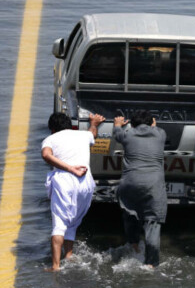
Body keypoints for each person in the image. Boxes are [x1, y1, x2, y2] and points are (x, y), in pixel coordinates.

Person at [41, 111, 105, 271]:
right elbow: (93, 134)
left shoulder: (50, 138)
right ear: (69, 125)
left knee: (59, 223)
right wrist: (94, 123)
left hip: (65, 181)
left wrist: (70, 168)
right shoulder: (83, 135)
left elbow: (46, 155)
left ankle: (55, 266)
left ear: (52, 128)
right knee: (73, 221)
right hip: (85, 182)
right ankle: (68, 256)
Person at [112, 110, 167, 267]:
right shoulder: (160, 134)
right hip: (153, 185)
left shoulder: (127, 134)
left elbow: (117, 132)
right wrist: (153, 124)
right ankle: (151, 264)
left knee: (129, 212)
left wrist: (117, 124)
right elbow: (155, 127)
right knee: (153, 223)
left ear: (132, 123)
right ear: (152, 123)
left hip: (130, 183)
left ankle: (134, 245)